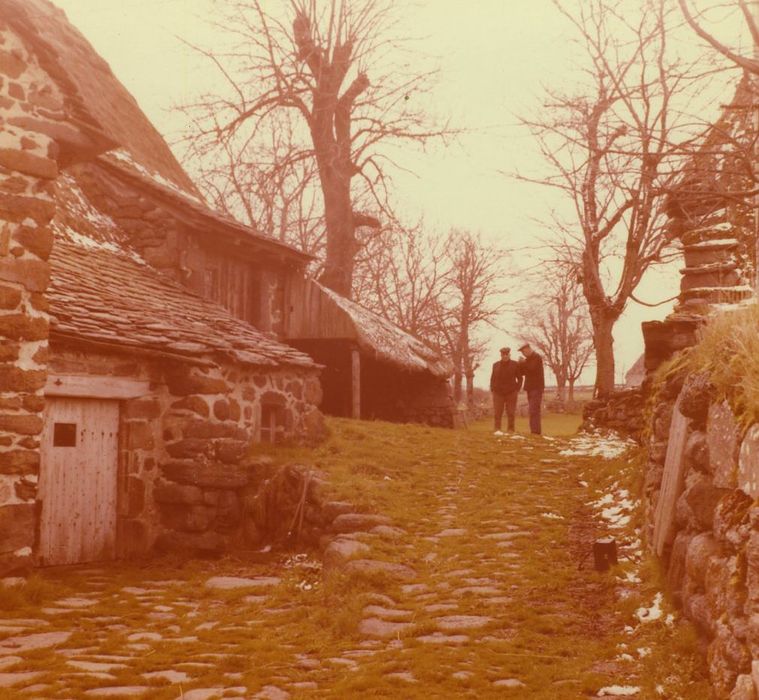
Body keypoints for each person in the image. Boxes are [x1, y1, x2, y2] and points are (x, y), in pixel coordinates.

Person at [489, 347, 522, 434]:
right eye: (503, 355)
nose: (505, 356)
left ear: (509, 355)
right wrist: (492, 388)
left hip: (511, 392)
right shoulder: (495, 365)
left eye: (507, 354)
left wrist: (517, 389)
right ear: (501, 355)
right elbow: (492, 378)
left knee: (511, 412)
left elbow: (520, 378)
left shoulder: (515, 364)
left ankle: (510, 430)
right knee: (497, 412)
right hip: (498, 392)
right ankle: (497, 429)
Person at [518, 342, 545, 435]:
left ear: (528, 349)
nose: (523, 354)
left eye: (524, 352)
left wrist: (523, 363)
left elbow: (532, 369)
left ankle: (536, 432)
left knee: (534, 410)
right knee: (532, 410)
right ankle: (534, 431)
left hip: (536, 388)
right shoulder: (528, 360)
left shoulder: (536, 357)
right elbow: (523, 372)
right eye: (522, 353)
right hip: (530, 388)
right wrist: (520, 365)